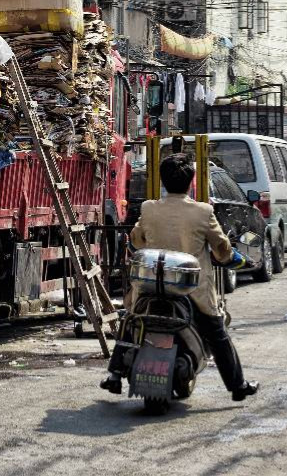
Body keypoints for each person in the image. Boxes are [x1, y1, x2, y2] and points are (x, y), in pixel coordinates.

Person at [102, 154, 259, 402]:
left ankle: (113, 375)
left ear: (163, 180)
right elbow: (222, 247)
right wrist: (225, 256)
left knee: (131, 322)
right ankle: (237, 386)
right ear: (191, 182)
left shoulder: (149, 208)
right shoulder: (203, 211)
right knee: (217, 333)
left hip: (151, 288)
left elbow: (136, 240)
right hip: (191, 292)